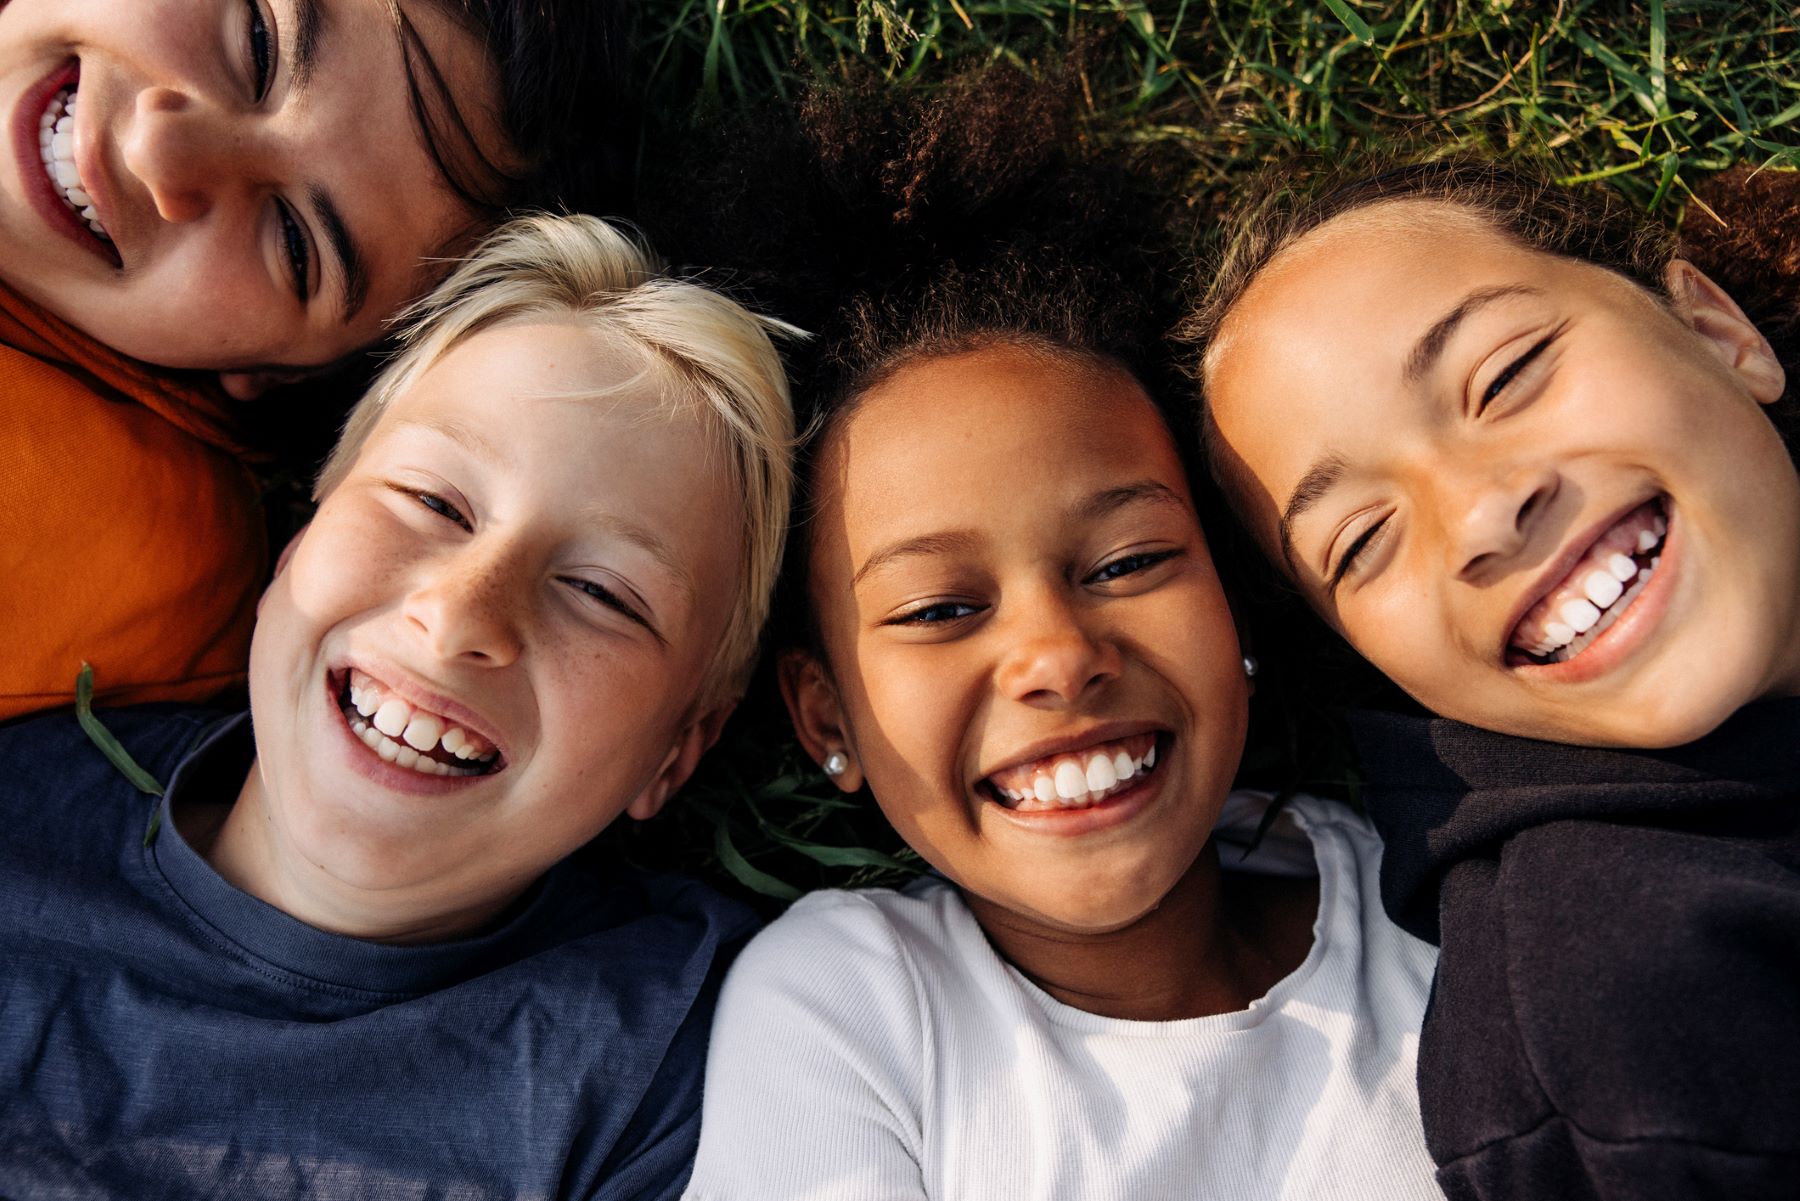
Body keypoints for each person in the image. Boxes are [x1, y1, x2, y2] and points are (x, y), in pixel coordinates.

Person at [668, 74, 1442, 1201]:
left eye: (1127, 564)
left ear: (1236, 609)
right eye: (940, 609)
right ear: (827, 716)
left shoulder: (1429, 897)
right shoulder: (857, 1008)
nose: (1059, 655)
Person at [0, 213, 794, 1198]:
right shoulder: (16, 812)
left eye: (603, 594)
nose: (463, 613)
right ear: (302, 540)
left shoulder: (669, 1070)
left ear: (674, 754)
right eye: (432, 501)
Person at [1187, 155, 1800, 1199]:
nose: (1478, 514)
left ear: (1716, 330)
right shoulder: (1633, 1030)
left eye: (1507, 375)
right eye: (1361, 542)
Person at [0, 0, 635, 720]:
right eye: (260, 41)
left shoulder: (127, 558)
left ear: (274, 373)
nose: (158, 151)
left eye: (295, 246)